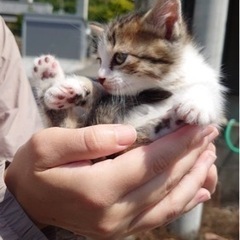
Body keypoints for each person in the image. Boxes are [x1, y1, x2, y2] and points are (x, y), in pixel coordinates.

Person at [0, 16, 218, 240]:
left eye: (119, 58)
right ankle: (62, 115)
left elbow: (19, 142)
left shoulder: (194, 77)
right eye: (100, 61)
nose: (102, 74)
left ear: (169, 28)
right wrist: (22, 204)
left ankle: (61, 115)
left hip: (139, 147)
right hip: (131, 147)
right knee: (94, 134)